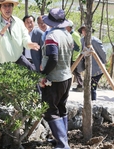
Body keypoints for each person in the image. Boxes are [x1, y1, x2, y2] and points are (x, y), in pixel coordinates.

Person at [39, 8, 73, 149]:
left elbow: (53, 58)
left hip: (54, 79)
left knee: (50, 111)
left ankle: (63, 145)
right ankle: (61, 140)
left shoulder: (52, 36)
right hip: (66, 76)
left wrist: (44, 75)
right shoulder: (67, 34)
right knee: (61, 108)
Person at [0, 0, 40, 71]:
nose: (7, 9)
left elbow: (25, 36)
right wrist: (1, 32)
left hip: (19, 58)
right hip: (3, 63)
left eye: (9, 6)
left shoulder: (18, 22)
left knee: (32, 72)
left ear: (12, 7)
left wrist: (28, 43)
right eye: (4, 6)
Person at [78, 24, 106, 100]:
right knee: (88, 86)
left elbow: (103, 53)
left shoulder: (96, 41)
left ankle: (93, 102)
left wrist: (103, 63)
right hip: (88, 68)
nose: (84, 32)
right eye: (83, 30)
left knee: (92, 86)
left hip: (97, 68)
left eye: (86, 30)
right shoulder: (81, 40)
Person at [66, 20, 83, 92]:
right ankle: (79, 84)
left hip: (74, 57)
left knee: (75, 72)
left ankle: (80, 85)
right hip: (70, 56)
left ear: (69, 27)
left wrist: (74, 54)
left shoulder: (75, 35)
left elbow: (78, 46)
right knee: (73, 71)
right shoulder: (68, 34)